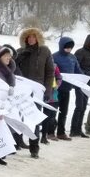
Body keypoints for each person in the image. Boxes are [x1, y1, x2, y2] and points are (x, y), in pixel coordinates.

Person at [15, 27, 55, 156]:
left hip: (38, 89)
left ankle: (34, 146)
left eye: (33, 37)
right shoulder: (20, 51)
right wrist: (20, 57)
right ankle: (18, 142)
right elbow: (13, 70)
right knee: (19, 116)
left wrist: (48, 90)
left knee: (35, 119)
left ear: (38, 38)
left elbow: (50, 72)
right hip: (22, 89)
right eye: (28, 37)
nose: (31, 39)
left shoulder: (45, 51)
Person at [52, 36, 82, 140]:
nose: (68, 49)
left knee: (64, 112)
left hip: (67, 89)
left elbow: (78, 70)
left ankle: (61, 132)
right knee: (53, 111)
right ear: (61, 46)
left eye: (70, 47)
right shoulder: (54, 56)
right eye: (66, 47)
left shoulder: (73, 57)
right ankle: (50, 132)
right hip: (56, 88)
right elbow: (51, 70)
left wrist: (84, 79)